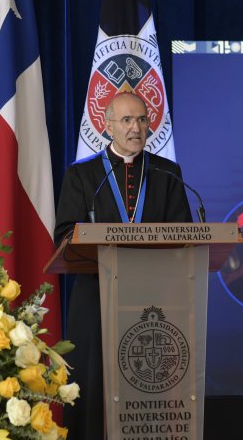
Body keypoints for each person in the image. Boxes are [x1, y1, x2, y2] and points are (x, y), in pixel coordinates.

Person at [54, 92, 192, 440]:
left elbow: (184, 234)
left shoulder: (168, 173)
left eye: (142, 120)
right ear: (107, 126)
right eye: (127, 120)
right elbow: (65, 234)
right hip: (96, 297)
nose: (136, 128)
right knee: (93, 387)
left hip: (154, 300)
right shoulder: (82, 175)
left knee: (150, 385)